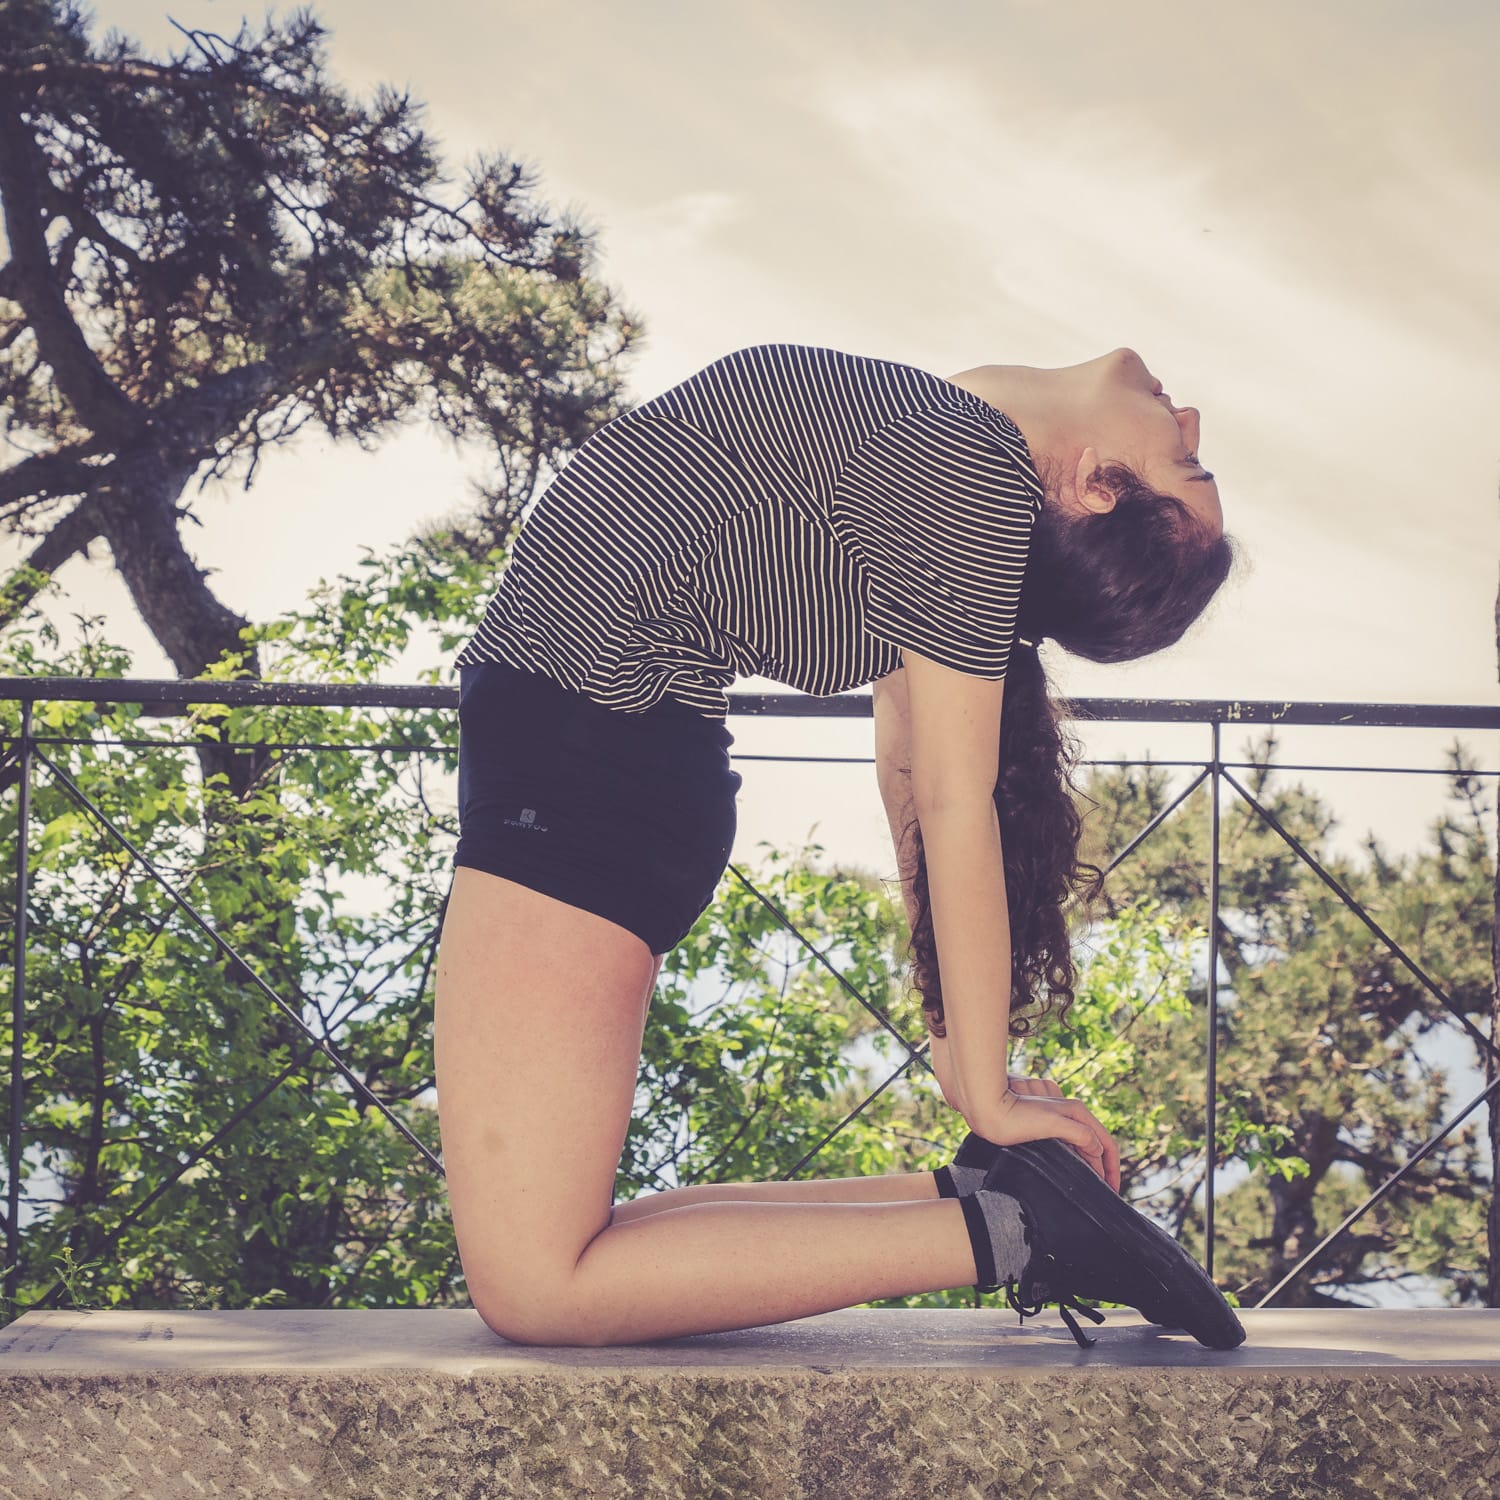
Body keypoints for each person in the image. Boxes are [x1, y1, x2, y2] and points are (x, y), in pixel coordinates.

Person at [435, 341, 1246, 1350]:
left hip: (582, 772)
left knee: (539, 1286)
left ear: (1092, 487)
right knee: (564, 1252)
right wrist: (962, 1062)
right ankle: (985, 1199)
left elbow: (956, 803)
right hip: (591, 768)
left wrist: (985, 1080)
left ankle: (1020, 1232)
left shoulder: (967, 470)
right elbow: (912, 780)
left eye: (1189, 466)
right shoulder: (951, 471)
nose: (1192, 426)